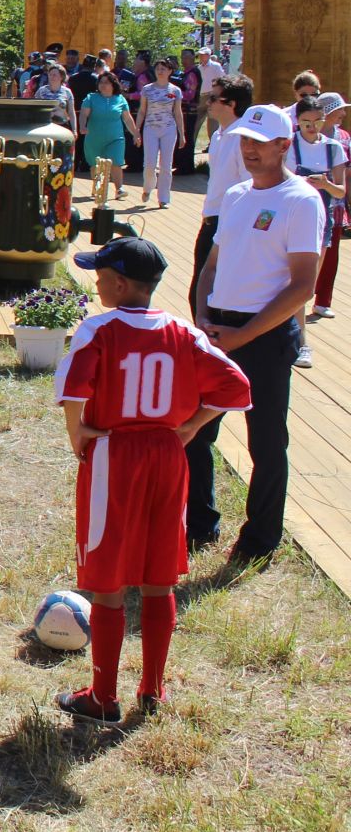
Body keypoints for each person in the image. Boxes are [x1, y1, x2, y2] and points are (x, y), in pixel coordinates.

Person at [52, 238, 251, 724]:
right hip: (167, 455)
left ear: (120, 284)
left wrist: (78, 434)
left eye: (100, 274)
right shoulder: (184, 331)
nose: (95, 281)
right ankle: (152, 689)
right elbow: (237, 387)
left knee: (108, 580)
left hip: (115, 454)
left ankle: (101, 697)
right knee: (158, 578)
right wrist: (190, 426)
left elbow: (74, 389)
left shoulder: (98, 329)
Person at [193, 104, 323, 564]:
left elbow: (302, 286)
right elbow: (210, 267)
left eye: (260, 142)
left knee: (265, 441)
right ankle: (198, 527)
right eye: (245, 140)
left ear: (285, 145)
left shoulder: (301, 200)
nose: (249, 149)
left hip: (263, 337)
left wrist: (243, 334)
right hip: (219, 331)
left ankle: (260, 539)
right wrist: (203, 320)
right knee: (194, 432)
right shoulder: (237, 194)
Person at [191, 75, 252, 310]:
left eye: (214, 98)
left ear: (232, 104)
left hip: (228, 222)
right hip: (212, 217)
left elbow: (249, 185)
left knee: (208, 293)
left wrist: (235, 224)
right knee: (201, 291)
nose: (209, 102)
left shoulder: (242, 138)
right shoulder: (218, 135)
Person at [287, 97, 345, 327]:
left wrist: (325, 184)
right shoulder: (289, 145)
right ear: (297, 121)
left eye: (317, 121)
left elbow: (340, 192)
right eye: (305, 122)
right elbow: (280, 181)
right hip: (293, 215)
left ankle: (296, 335)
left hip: (322, 218)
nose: (311, 127)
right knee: (289, 279)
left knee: (307, 284)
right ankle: (296, 338)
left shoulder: (334, 148)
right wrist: (303, 181)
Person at [135, 58, 186, 207]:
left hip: (168, 129)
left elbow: (178, 113)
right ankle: (148, 187)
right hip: (150, 128)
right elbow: (142, 111)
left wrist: (181, 133)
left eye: (164, 68)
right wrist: (137, 130)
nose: (160, 71)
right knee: (150, 164)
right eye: (158, 68)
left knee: (166, 165)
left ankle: (164, 198)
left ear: (170, 71)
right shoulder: (147, 89)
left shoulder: (175, 91)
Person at [81, 74, 137, 198]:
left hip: (115, 137)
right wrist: (82, 126)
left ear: (113, 84)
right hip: (94, 137)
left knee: (116, 161)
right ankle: (97, 188)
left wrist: (135, 133)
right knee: (95, 164)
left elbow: (127, 119)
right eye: (101, 82)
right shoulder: (91, 98)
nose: (103, 85)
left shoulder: (120, 99)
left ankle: (119, 189)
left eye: (106, 82)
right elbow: (84, 114)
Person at [35, 63, 79, 137]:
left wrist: (74, 130)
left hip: (62, 127)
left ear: (61, 77)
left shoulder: (67, 92)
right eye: (50, 74)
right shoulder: (41, 91)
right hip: (44, 128)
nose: (52, 77)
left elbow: (71, 112)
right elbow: (35, 109)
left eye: (55, 75)